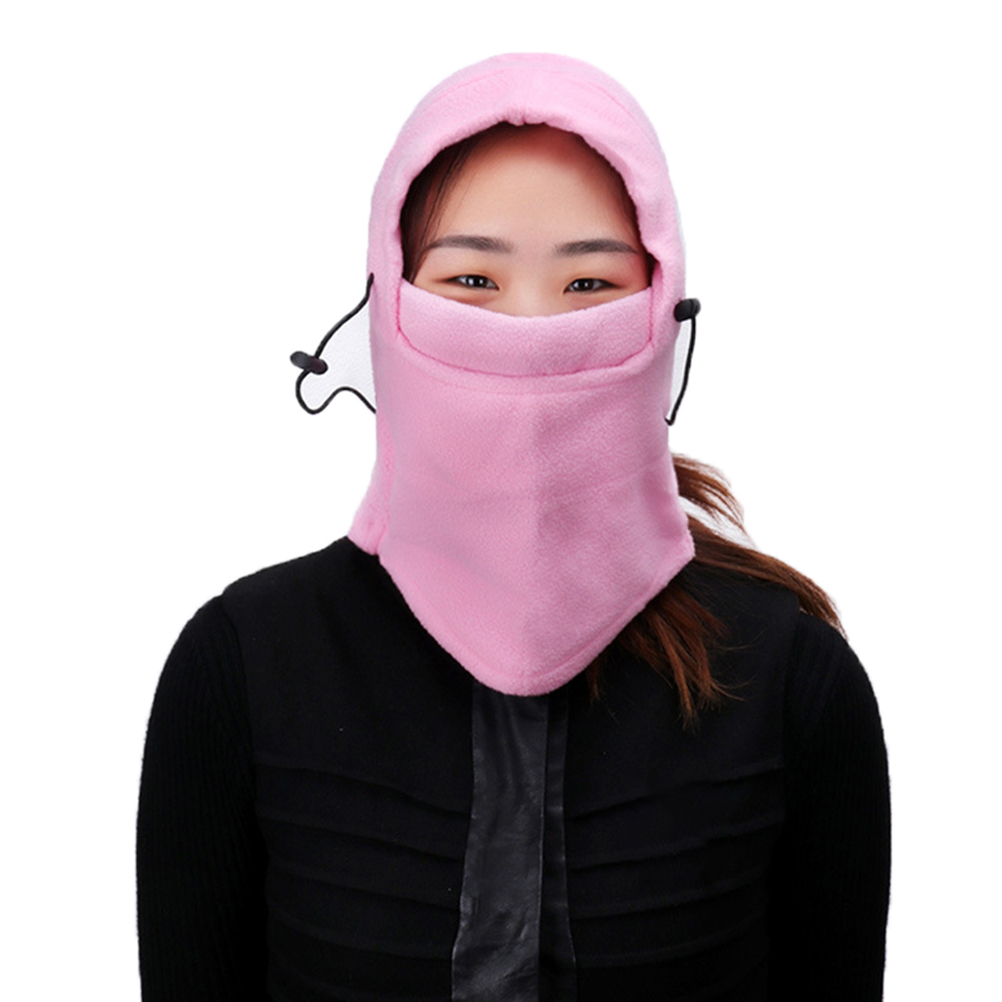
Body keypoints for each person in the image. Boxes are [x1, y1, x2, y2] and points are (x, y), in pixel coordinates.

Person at [137, 53, 890, 1000]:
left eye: (589, 286)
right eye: (471, 280)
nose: (530, 332)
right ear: (384, 304)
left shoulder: (793, 681)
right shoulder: (240, 668)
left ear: (666, 314)